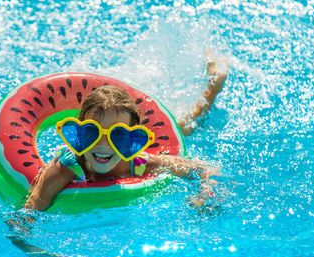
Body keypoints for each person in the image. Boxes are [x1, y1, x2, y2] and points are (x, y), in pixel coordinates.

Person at [25, 55, 229, 211]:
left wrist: (204, 196)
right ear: (79, 133)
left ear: (131, 140)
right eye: (92, 133)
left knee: (187, 127)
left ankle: (214, 83)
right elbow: (26, 216)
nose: (103, 145)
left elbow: (206, 169)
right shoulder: (66, 169)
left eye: (117, 136)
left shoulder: (138, 163)